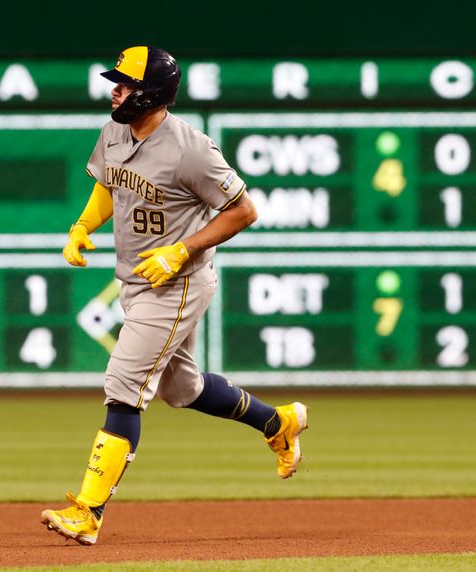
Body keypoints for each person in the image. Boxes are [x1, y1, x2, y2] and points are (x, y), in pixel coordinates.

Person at [40, 46, 308, 546]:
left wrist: (180, 251)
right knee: (180, 390)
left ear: (151, 93)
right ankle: (278, 422)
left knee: (123, 383)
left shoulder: (191, 149)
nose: (114, 89)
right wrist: (80, 226)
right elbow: (108, 184)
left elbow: (243, 211)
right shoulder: (116, 131)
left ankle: (89, 512)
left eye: (123, 83)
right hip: (135, 281)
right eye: (115, 81)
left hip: (177, 282)